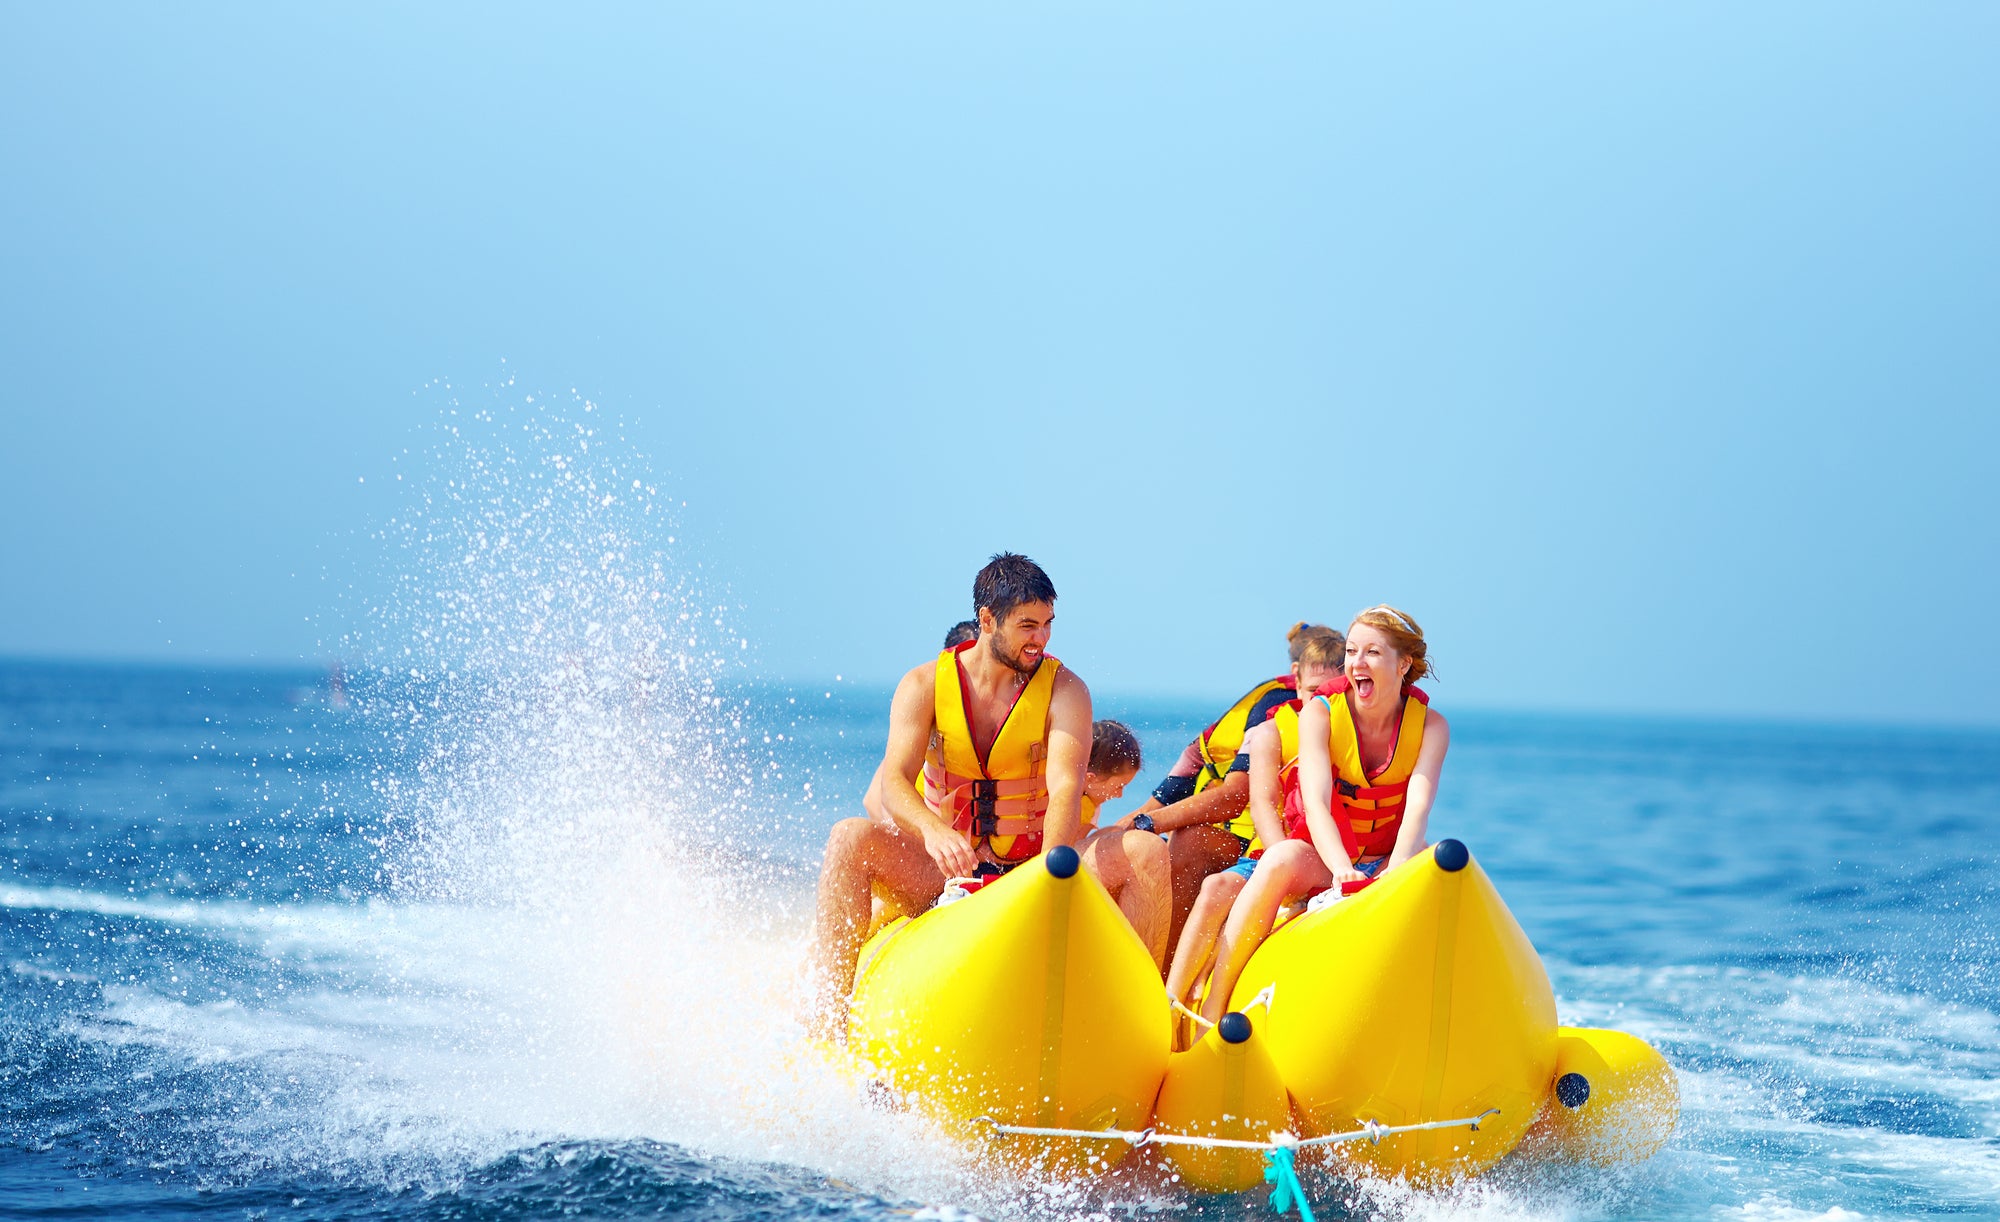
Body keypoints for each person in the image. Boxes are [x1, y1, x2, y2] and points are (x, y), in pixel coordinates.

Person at [806, 554, 1171, 1037]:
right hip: (945, 870)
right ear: (987, 620)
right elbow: (894, 781)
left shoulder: (1066, 691)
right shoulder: (923, 685)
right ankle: (827, 1026)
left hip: (1032, 865)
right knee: (849, 838)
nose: (1040, 638)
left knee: (1145, 853)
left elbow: (1065, 785)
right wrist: (933, 832)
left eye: (1047, 625)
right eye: (1027, 625)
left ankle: (1132, 1028)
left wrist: (1047, 874)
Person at [1177, 606, 1450, 1028]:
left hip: (1388, 858)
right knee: (1281, 858)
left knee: (1445, 867)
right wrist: (1342, 870)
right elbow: (1317, 800)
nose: (1358, 662)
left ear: (1404, 664)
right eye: (1353, 651)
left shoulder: (1431, 726)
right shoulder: (1320, 712)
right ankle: (1213, 1010)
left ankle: (1443, 1022)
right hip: (1328, 856)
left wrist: (1392, 879)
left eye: (1373, 652)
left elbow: (1418, 807)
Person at [1107, 624, 1346, 947]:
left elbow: (1233, 796)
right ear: (1297, 675)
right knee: (1168, 841)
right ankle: (1157, 970)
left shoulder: (1313, 710)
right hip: (1258, 834)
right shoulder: (1271, 710)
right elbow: (1172, 791)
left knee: (1188, 841)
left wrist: (1146, 822)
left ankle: (1167, 968)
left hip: (1273, 837)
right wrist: (1131, 827)